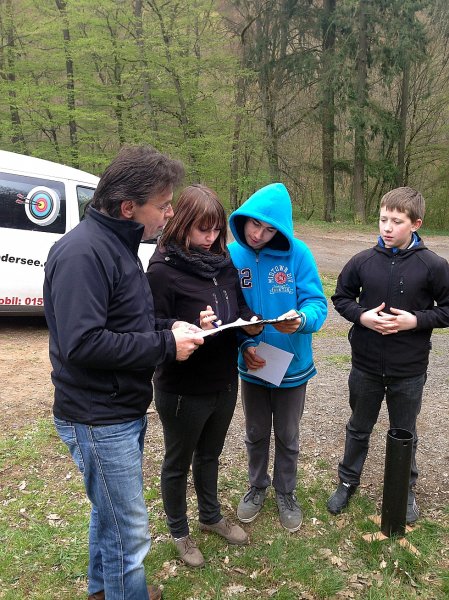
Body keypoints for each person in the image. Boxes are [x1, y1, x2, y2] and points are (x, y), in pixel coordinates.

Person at [43, 146, 205, 600]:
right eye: (163, 205)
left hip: (119, 408)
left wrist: (169, 328)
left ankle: (103, 589)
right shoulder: (83, 254)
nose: (170, 214)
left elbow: (125, 324)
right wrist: (166, 346)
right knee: (130, 532)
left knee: (110, 514)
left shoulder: (119, 247)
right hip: (97, 416)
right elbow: (83, 343)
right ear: (128, 207)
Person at [146, 184, 262, 568]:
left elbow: (239, 307)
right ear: (182, 223)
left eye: (216, 230)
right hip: (183, 386)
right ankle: (179, 531)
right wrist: (185, 324)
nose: (211, 237)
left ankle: (210, 516)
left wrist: (251, 325)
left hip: (224, 379)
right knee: (178, 462)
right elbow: (148, 323)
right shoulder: (163, 269)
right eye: (202, 229)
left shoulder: (223, 262)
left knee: (210, 454)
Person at [326, 187, 449, 524]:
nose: (387, 227)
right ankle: (347, 481)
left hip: (409, 370)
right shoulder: (362, 261)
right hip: (365, 366)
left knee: (404, 432)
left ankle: (403, 489)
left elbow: (447, 309)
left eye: (397, 221)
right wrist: (362, 316)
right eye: (383, 219)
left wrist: (416, 320)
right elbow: (341, 298)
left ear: (416, 224)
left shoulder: (433, 265)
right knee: (358, 427)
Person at [228, 182, 327, 532]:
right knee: (255, 432)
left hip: (292, 367)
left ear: (280, 231)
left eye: (270, 230)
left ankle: (286, 492)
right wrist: (244, 346)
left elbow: (317, 304)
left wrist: (301, 320)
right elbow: (228, 312)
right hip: (253, 364)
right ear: (243, 218)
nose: (258, 235)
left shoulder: (298, 254)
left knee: (288, 434)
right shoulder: (231, 255)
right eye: (255, 224)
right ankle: (257, 486)